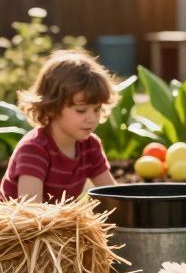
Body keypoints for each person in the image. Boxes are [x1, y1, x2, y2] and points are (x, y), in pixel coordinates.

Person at [1, 50, 116, 202]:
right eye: (81, 110)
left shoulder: (90, 146)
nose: (93, 118)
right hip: (17, 224)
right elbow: (31, 212)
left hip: (53, 222)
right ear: (51, 108)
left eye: (97, 109)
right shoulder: (34, 149)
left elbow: (113, 196)